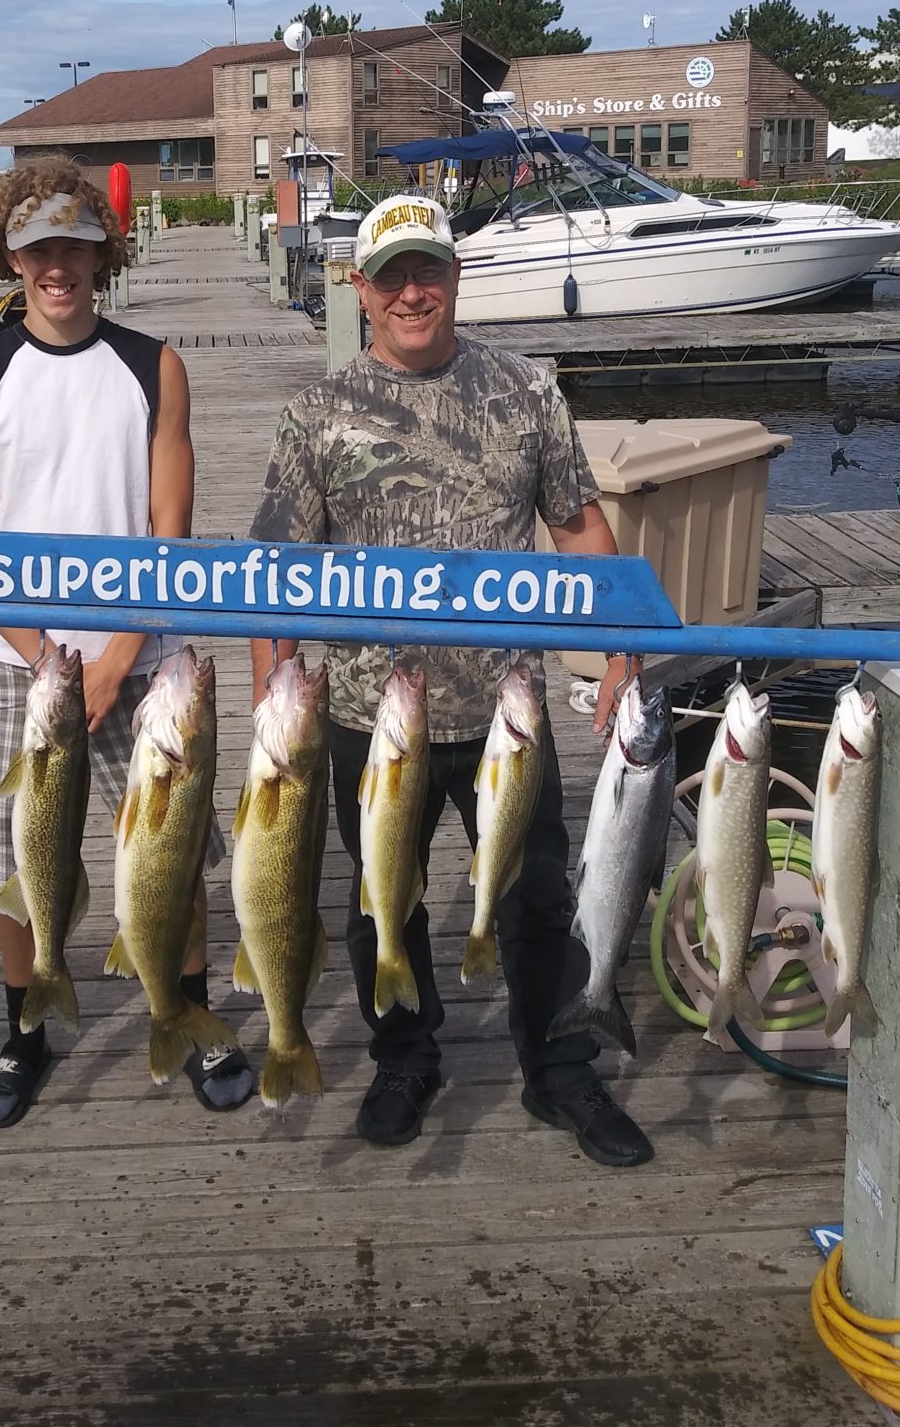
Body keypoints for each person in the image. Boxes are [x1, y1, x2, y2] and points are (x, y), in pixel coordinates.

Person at [248, 193, 651, 1167]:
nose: (413, 291)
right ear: (361, 288)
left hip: (504, 708)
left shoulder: (528, 391)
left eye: (429, 269)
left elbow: (579, 524)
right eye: (393, 275)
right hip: (361, 715)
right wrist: (273, 700)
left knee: (538, 895)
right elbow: (275, 568)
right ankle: (405, 1053)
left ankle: (559, 1065)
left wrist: (626, 649)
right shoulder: (317, 414)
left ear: (457, 276)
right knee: (381, 899)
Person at [0, 157, 255, 1127]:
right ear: (10, 255)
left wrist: (120, 653)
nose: (57, 265)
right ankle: (25, 1030)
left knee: (176, 855)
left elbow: (171, 528)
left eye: (74, 244)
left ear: (101, 251)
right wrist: (46, 663)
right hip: (16, 663)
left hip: (143, 657)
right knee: (15, 862)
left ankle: (190, 1012)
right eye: (38, 248)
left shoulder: (153, 364)